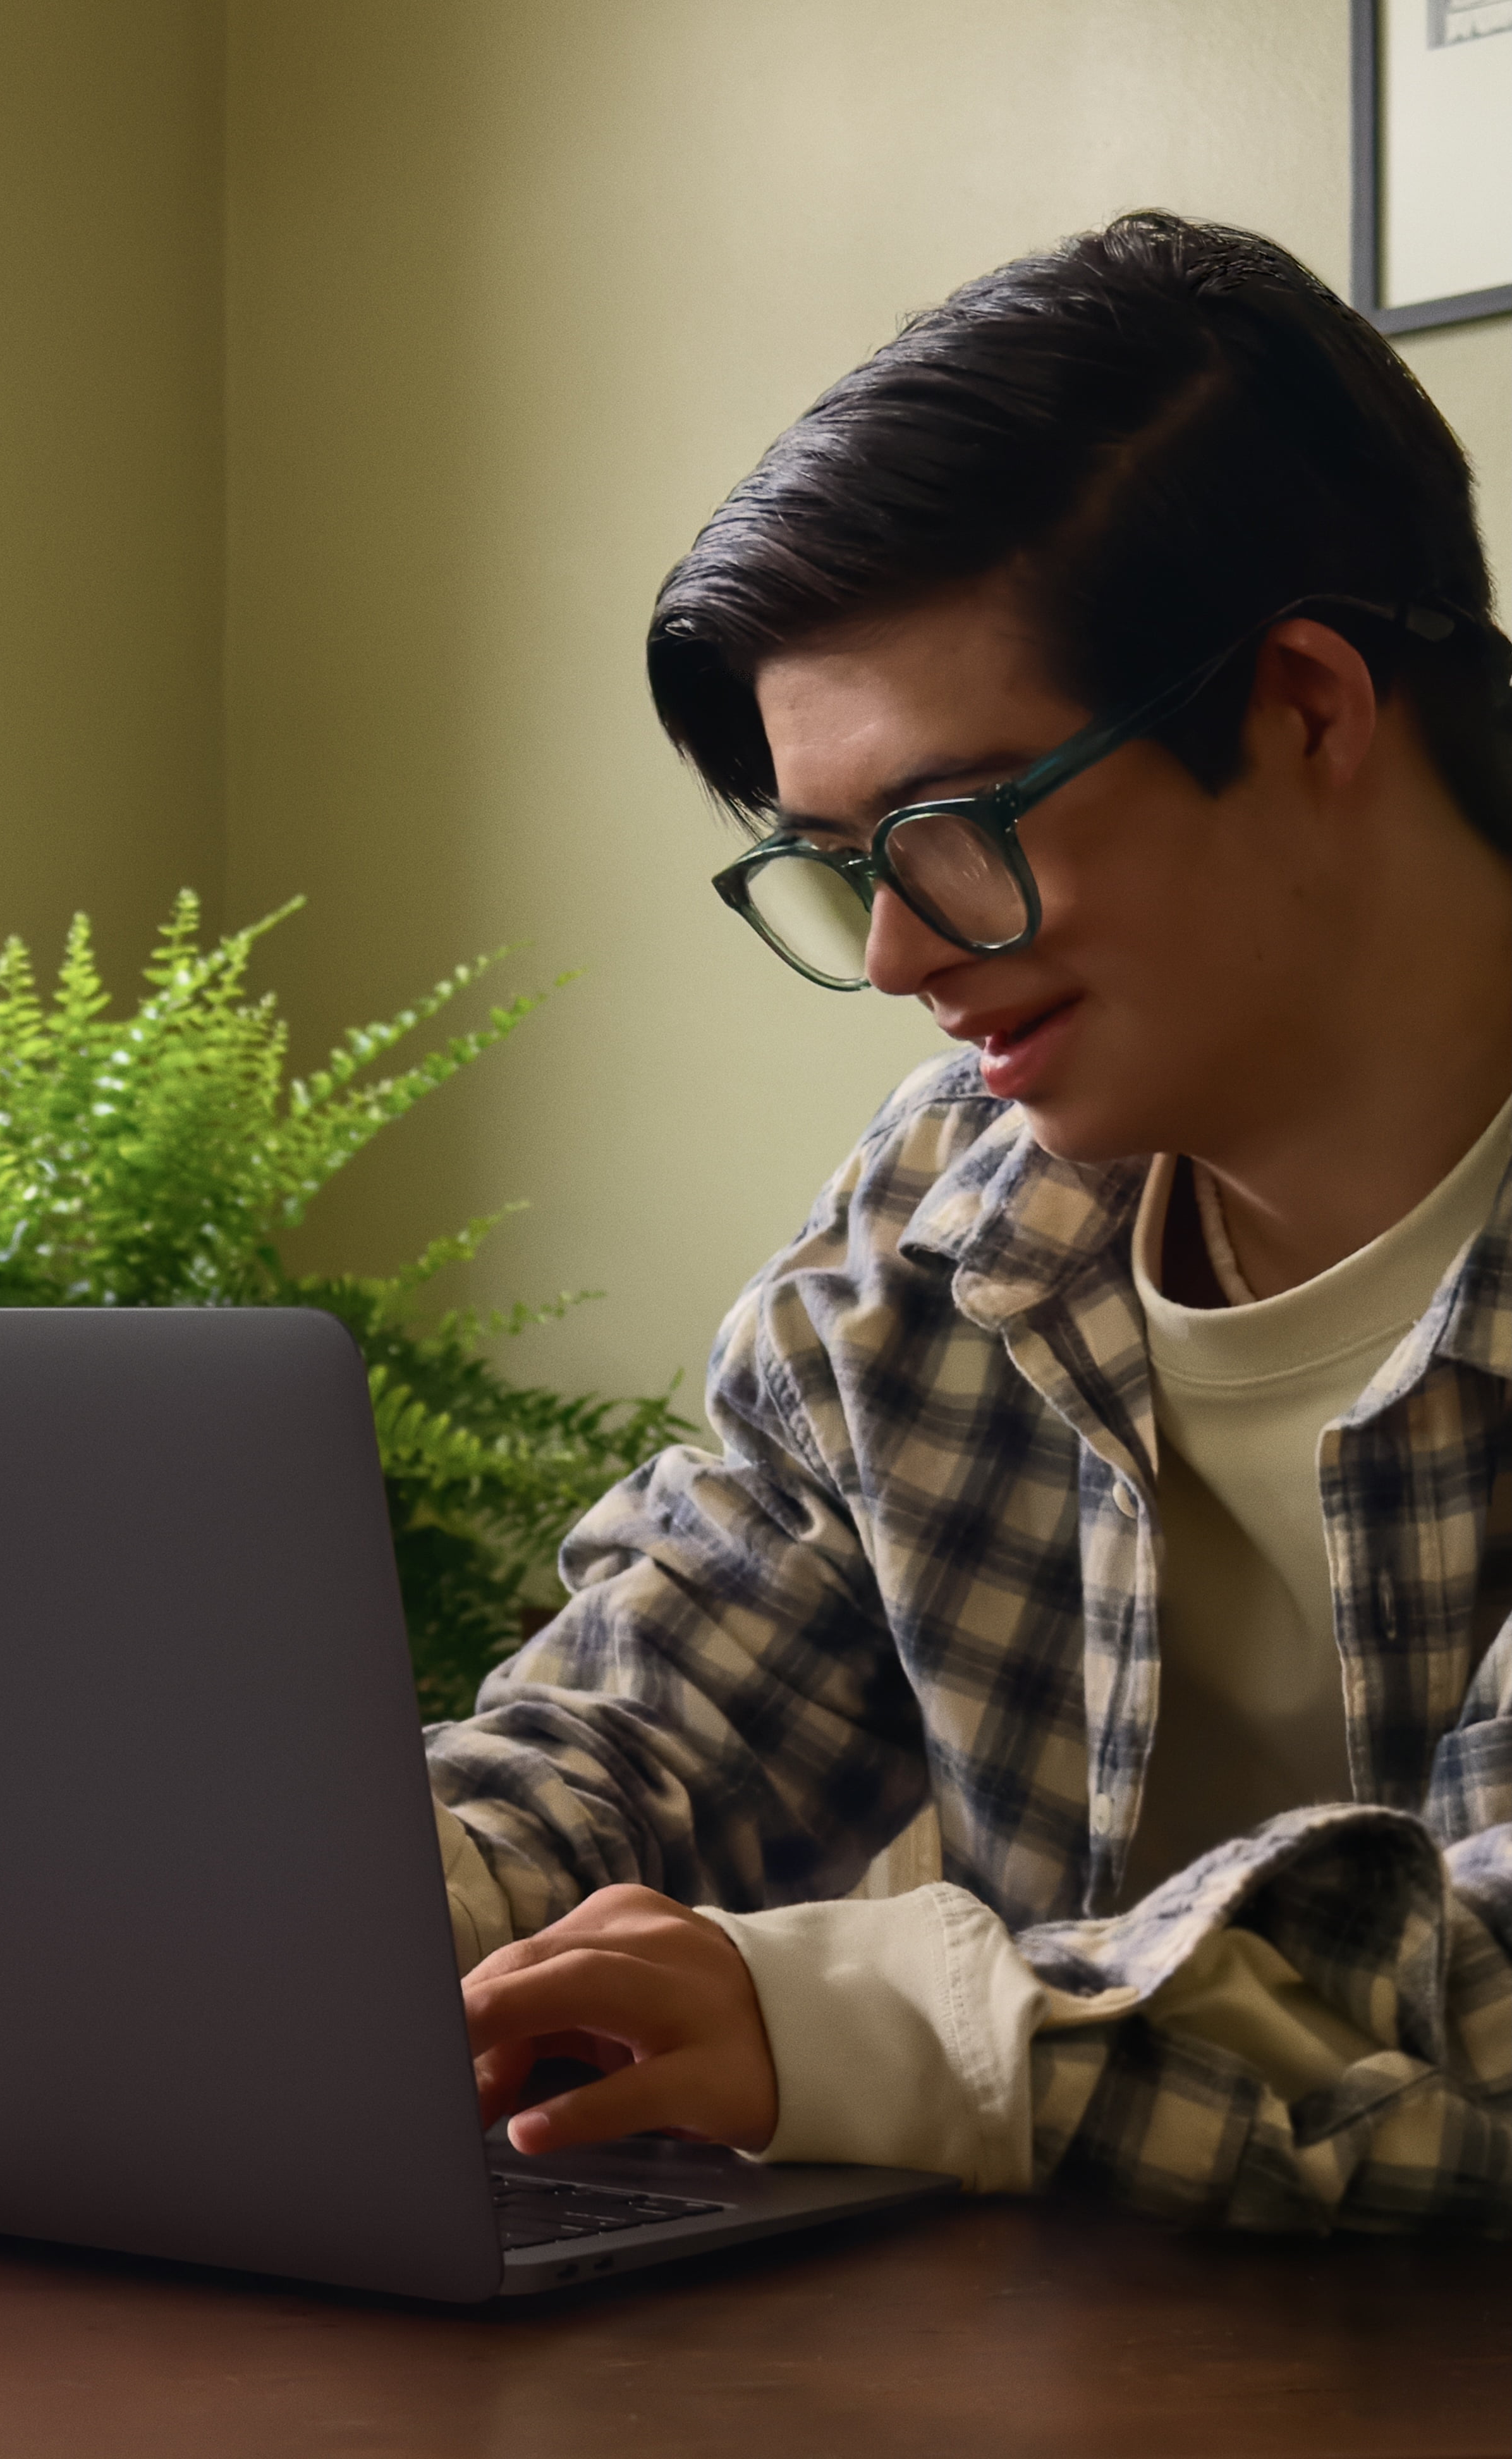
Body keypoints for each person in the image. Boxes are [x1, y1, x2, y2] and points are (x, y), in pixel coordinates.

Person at [432, 213, 1512, 2229]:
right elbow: (638, 1727)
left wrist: (866, 2023)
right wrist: (303, 1913)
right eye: (842, 867)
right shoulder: (949, 1208)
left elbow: (1489, 1995)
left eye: (960, 830)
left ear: (1302, 704)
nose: (905, 958)